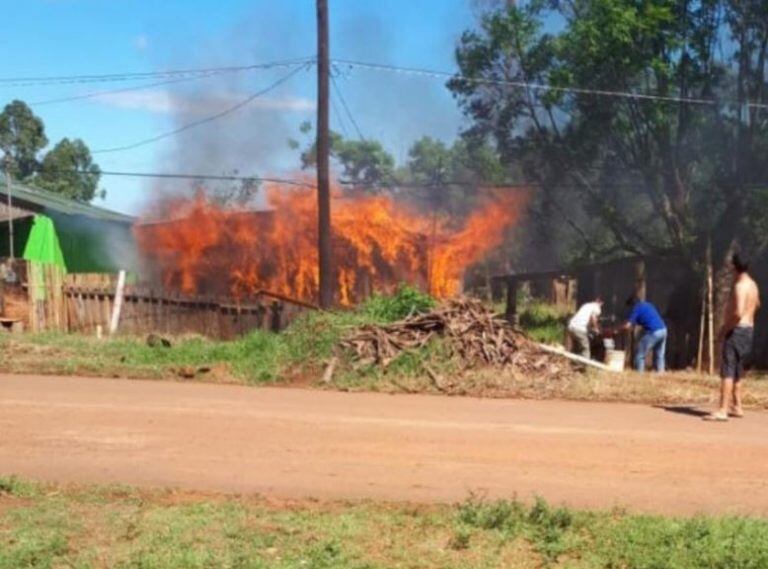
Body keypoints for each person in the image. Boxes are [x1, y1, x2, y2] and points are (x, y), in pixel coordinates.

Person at [705, 253, 761, 421]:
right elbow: (757, 304)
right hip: (748, 329)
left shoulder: (740, 286)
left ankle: (722, 409)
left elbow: (738, 312)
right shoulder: (753, 285)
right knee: (737, 368)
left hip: (737, 330)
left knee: (728, 370)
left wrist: (725, 329)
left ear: (734, 266)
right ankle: (737, 405)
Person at [623, 296, 667, 372]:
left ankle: (640, 374)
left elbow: (628, 325)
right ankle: (661, 373)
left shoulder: (636, 308)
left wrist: (617, 329)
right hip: (663, 330)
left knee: (640, 353)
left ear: (632, 304)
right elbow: (644, 319)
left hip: (654, 332)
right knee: (660, 355)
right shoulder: (648, 304)